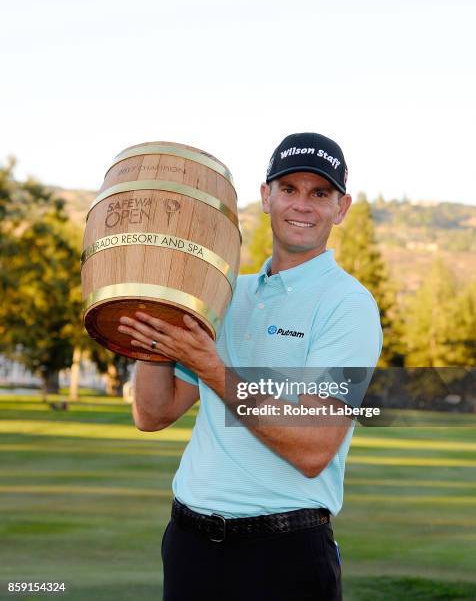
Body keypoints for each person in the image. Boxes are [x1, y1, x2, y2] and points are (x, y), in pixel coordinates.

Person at [118, 132, 383, 601]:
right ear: (266, 197)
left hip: (283, 553)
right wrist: (154, 325)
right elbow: (153, 414)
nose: (302, 205)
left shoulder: (349, 305)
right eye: (289, 189)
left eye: (319, 193)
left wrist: (212, 368)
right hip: (189, 545)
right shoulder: (225, 293)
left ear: (340, 208)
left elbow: (313, 447)